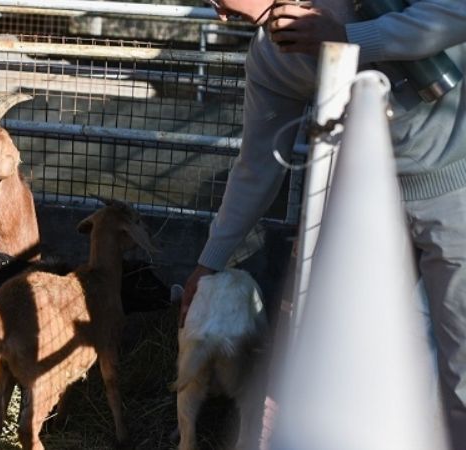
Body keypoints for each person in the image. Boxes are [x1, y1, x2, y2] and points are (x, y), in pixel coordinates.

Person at [179, 0, 466, 447]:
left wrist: (349, 37)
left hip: (454, 188)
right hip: (364, 207)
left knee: (461, 367)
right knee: (362, 355)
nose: (217, 12)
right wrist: (210, 261)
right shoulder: (270, 55)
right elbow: (256, 167)